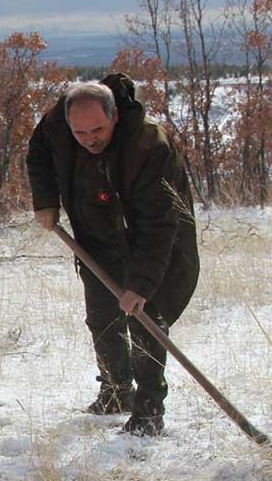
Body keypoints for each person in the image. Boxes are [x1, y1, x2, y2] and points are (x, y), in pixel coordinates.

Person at [26, 74, 198, 436]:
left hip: (149, 236)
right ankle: (116, 391)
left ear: (115, 116)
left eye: (98, 131)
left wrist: (141, 285)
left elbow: (159, 226)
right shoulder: (59, 123)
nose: (90, 140)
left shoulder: (149, 146)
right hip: (96, 234)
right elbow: (39, 150)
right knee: (102, 317)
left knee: (147, 318)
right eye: (81, 134)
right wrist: (45, 201)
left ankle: (148, 410)